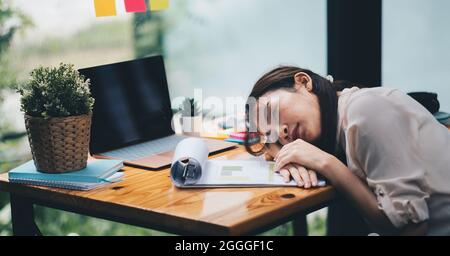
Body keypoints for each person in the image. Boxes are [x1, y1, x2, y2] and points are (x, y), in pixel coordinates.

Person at [244, 66, 450, 236]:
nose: (283, 132)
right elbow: (268, 150)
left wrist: (326, 163)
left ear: (304, 82)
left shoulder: (365, 110)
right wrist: (285, 153)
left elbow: (411, 229)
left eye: (272, 112)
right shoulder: (342, 121)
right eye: (274, 134)